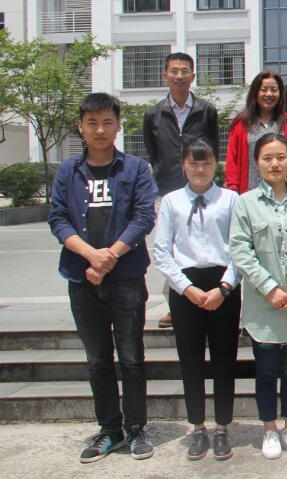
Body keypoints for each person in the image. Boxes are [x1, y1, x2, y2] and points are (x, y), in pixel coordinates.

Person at [49, 92, 157, 463]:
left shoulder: (135, 169)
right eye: (92, 122)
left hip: (126, 276)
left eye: (107, 122)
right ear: (80, 127)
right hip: (82, 278)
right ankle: (110, 429)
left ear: (118, 126)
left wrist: (109, 256)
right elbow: (58, 219)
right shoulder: (68, 171)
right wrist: (91, 256)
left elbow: (143, 217)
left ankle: (137, 428)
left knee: (131, 357)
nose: (100, 130)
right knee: (97, 359)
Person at [152, 139, 241, 460]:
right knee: (190, 360)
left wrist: (225, 288)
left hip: (222, 286)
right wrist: (186, 288)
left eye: (206, 163)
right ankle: (198, 427)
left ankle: (222, 427)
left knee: (224, 359)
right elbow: (161, 251)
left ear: (215, 164)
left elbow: (241, 247)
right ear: (184, 165)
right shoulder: (172, 201)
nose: (200, 169)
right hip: (185, 286)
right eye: (193, 163)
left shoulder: (230, 199)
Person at [229, 133, 287, 460]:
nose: (274, 164)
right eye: (267, 158)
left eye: (281, 157)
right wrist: (269, 288)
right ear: (257, 163)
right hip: (263, 305)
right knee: (266, 371)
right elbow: (241, 250)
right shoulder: (245, 203)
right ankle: (269, 428)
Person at [142, 51, 219, 329]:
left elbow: (212, 148)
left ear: (192, 76)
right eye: (174, 71)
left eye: (184, 71)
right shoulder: (153, 113)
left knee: (198, 245)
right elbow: (153, 153)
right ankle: (175, 305)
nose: (179, 76)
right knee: (170, 248)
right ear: (165, 75)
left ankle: (204, 295)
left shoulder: (206, 110)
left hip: (199, 189)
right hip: (167, 190)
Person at [226, 71, 287, 194]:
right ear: (255, 92)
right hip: (250, 195)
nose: (269, 94)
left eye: (274, 90)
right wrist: (233, 192)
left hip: (285, 197)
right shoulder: (241, 124)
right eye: (264, 90)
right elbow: (232, 162)